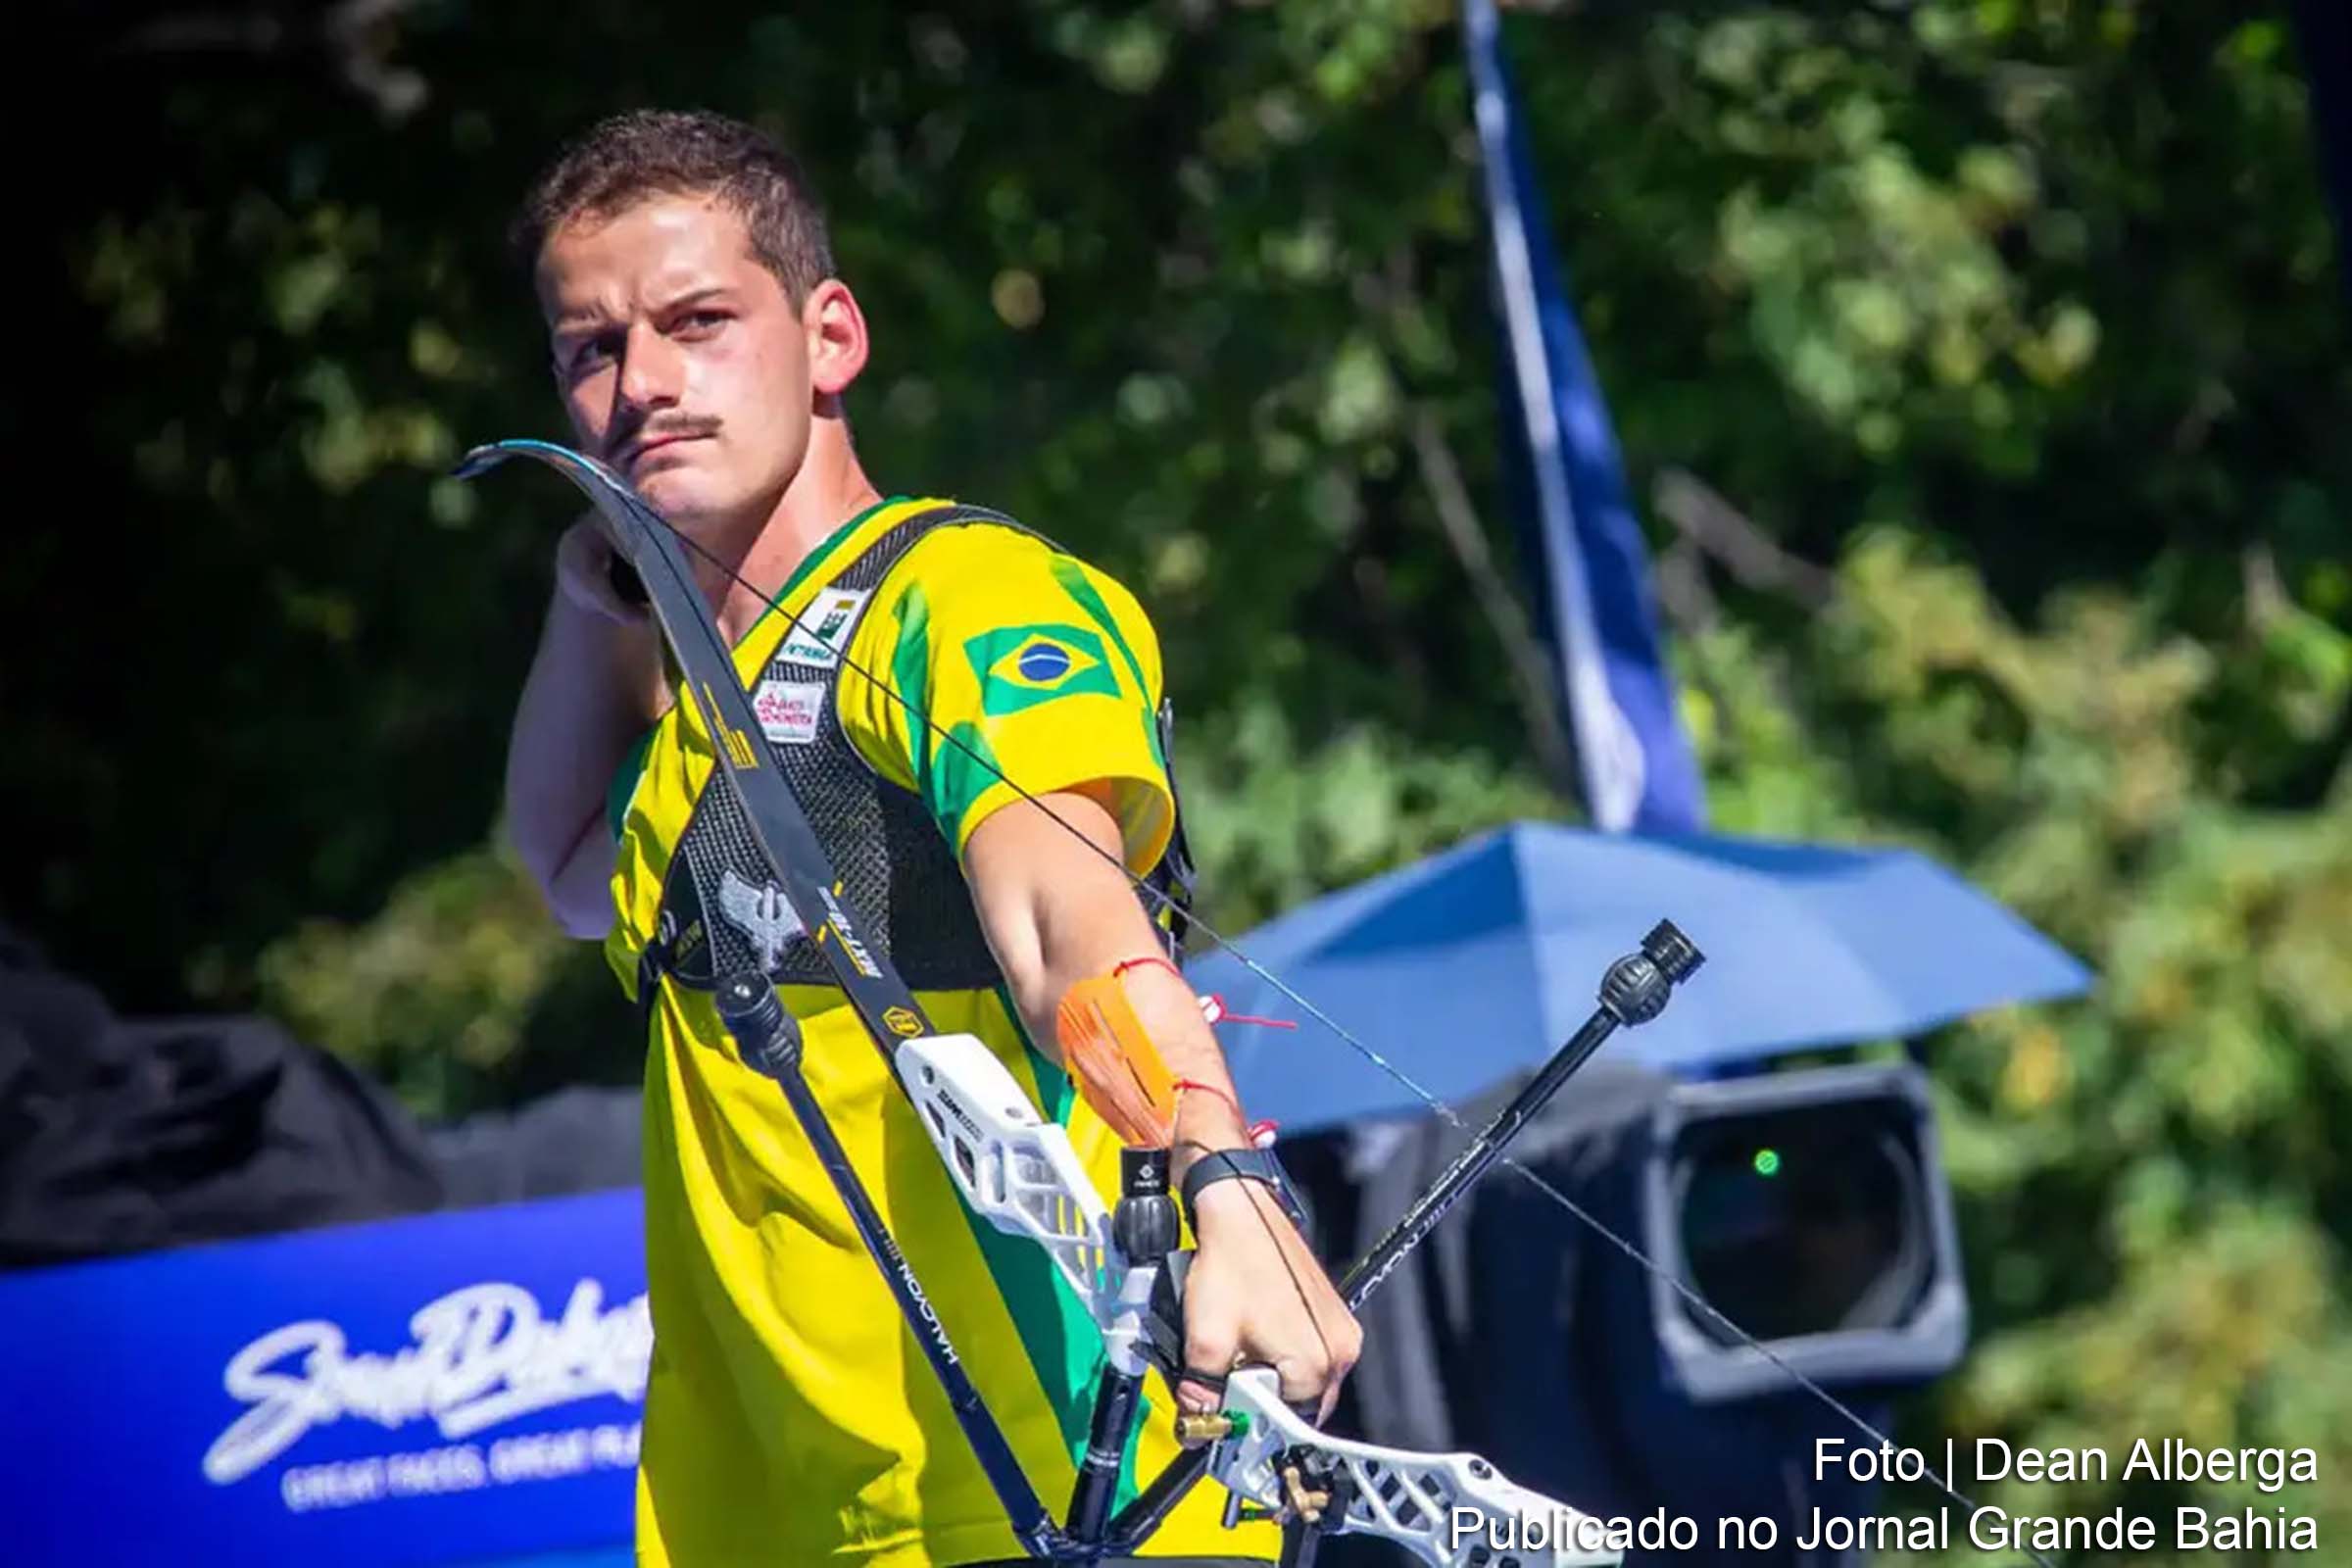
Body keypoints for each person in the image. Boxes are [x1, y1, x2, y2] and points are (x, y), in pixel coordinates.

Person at [498, 108, 1360, 1568]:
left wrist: (1222, 1176)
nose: (641, 384)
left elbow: (1069, 926)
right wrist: (602, 598)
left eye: (698, 321)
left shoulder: (956, 600)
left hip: (1047, 1500)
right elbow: (569, 870)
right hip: (755, 1527)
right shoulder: (694, 718)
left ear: (831, 337)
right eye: (593, 348)